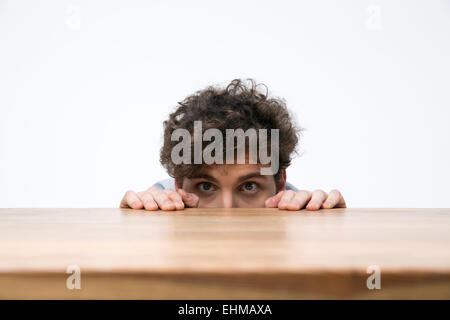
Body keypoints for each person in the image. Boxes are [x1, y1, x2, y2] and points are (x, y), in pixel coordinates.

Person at [120, 79, 346, 211]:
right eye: (206, 187)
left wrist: (330, 222)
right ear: (178, 184)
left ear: (280, 184)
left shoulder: (293, 205)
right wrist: (134, 219)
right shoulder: (162, 200)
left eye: (249, 187)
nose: (227, 209)